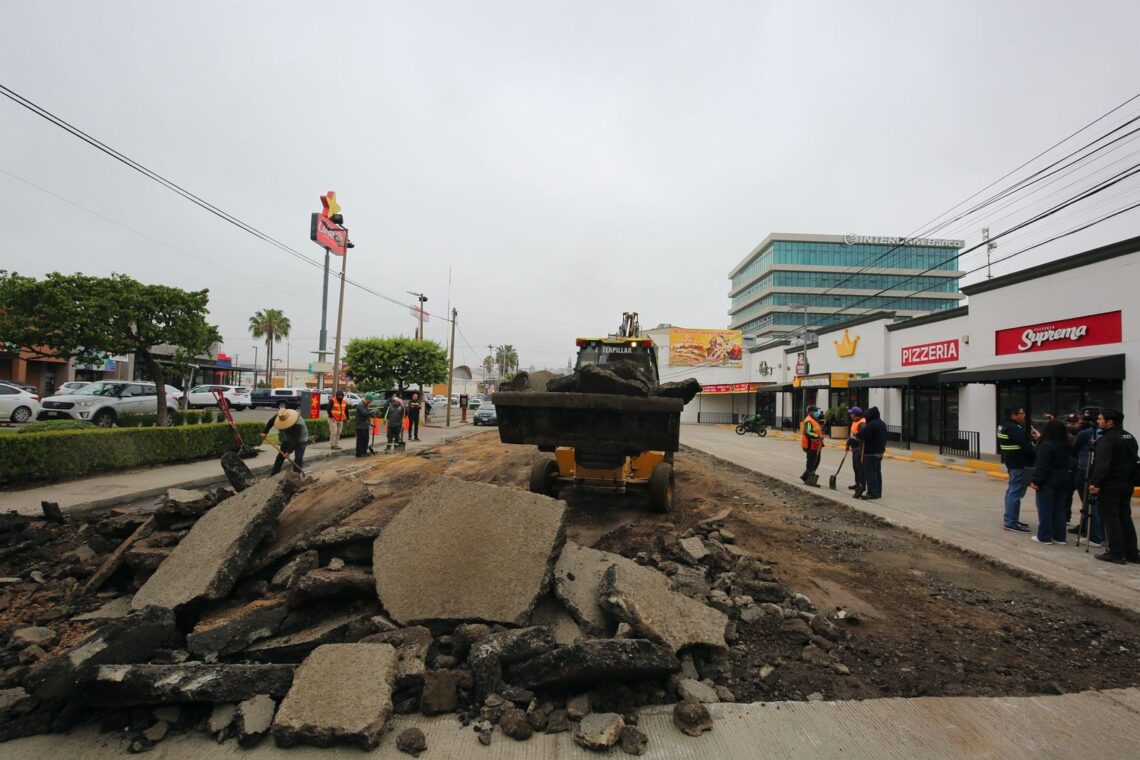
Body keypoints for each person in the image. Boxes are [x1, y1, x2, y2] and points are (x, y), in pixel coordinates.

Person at [1087, 409, 1140, 565]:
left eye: (1101, 419)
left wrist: (1095, 483)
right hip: (1127, 483)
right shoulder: (1129, 437)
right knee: (1125, 517)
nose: (1098, 421)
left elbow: (1102, 465)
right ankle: (1131, 552)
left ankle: (1116, 552)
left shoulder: (1107, 440)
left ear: (1110, 422)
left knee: (1111, 518)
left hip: (1111, 484)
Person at [1028, 419, 1071, 545]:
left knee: (1045, 508)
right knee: (1059, 509)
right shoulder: (1066, 445)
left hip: (1048, 481)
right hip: (1063, 480)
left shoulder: (1046, 446)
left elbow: (1042, 466)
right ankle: (1059, 536)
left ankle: (1044, 536)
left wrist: (1036, 481)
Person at [997, 407, 1035, 533]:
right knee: (1015, 492)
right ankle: (1011, 521)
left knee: (1012, 491)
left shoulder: (1004, 425)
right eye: (1021, 413)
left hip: (1012, 463)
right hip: (1019, 464)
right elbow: (1027, 446)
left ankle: (1011, 519)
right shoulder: (1014, 428)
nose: (1024, 415)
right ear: (1013, 415)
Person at [1071, 411, 1104, 545]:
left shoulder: (1086, 434)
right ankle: (1091, 530)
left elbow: (1074, 449)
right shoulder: (1108, 435)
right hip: (1101, 472)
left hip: (1086, 471)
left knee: (1090, 504)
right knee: (1097, 505)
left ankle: (1094, 535)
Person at [261, 405, 309, 475]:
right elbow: (271, 422)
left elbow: (296, 439)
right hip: (287, 438)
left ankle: (296, 476)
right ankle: (274, 475)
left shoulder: (299, 423)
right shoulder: (281, 415)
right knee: (280, 457)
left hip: (300, 440)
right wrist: (264, 432)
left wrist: (288, 452)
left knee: (298, 459)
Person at [853, 406, 886, 499]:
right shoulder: (882, 424)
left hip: (871, 453)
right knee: (877, 473)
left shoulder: (871, 425)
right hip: (879, 452)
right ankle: (878, 492)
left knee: (870, 473)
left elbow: (863, 434)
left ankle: (872, 493)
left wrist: (856, 434)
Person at [799, 405, 824, 486]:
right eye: (815, 411)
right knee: (812, 463)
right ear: (810, 412)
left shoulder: (814, 419)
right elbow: (807, 432)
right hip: (810, 446)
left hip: (816, 445)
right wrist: (818, 436)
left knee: (815, 462)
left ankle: (805, 477)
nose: (817, 413)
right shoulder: (808, 420)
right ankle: (809, 479)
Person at [846, 406, 866, 495]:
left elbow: (861, 437)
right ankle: (857, 483)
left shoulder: (862, 423)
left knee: (859, 468)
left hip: (858, 448)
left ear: (855, 415)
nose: (850, 414)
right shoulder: (855, 422)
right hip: (854, 448)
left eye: (851, 413)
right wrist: (848, 443)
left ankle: (861, 485)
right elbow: (852, 435)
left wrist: (852, 441)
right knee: (855, 468)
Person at [354, 393, 375, 457]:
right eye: (370, 401)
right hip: (360, 426)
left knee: (366, 439)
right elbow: (364, 414)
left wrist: (370, 423)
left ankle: (364, 452)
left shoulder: (366, 405)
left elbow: (367, 416)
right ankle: (359, 453)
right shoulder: (360, 405)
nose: (370, 402)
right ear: (367, 399)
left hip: (365, 426)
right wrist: (371, 412)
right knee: (361, 440)